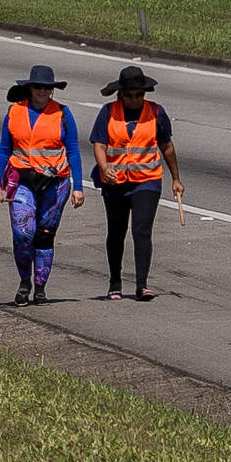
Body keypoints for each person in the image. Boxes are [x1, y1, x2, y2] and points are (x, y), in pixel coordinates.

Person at [90, 65, 186, 301]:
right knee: (116, 231)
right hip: (115, 182)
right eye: (129, 95)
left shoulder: (156, 112)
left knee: (141, 230)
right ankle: (115, 282)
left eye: (139, 95)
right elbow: (99, 144)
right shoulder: (108, 112)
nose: (134, 99)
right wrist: (104, 168)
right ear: (121, 94)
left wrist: (176, 178)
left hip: (147, 181)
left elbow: (167, 147)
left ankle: (142, 284)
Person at [0, 64, 82, 305]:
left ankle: (40, 286)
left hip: (55, 184)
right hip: (22, 181)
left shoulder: (63, 113)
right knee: (23, 234)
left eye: (47, 88)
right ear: (30, 88)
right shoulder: (15, 112)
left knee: (44, 235)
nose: (43, 91)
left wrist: (79, 187)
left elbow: (73, 150)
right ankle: (24, 282)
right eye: (38, 87)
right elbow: (3, 150)